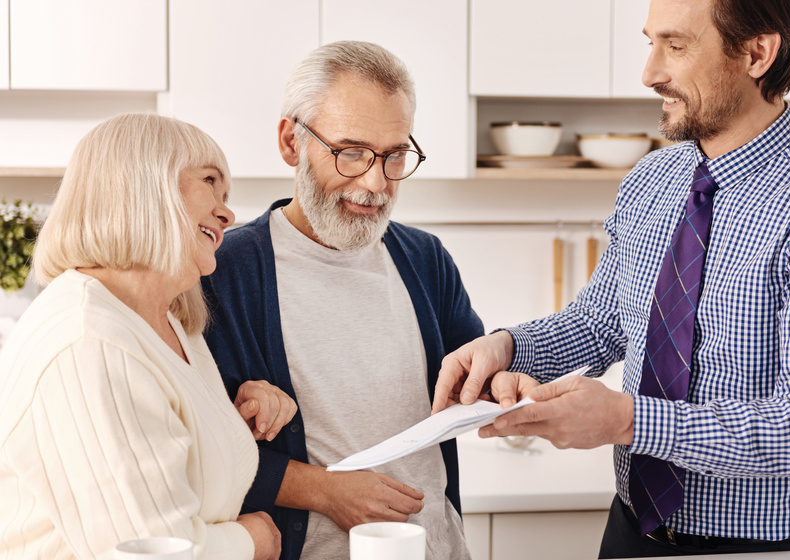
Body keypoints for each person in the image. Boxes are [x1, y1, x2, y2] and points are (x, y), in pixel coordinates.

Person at [433, 0, 790, 557]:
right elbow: (599, 323)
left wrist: (628, 421)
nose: (649, 73)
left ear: (757, 54)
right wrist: (507, 347)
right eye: (651, 43)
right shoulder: (651, 178)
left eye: (676, 46)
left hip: (755, 548)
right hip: (629, 530)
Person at [201, 40, 484, 560]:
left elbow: (476, 385)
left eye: (394, 155)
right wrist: (324, 491)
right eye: (351, 153)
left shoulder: (426, 259)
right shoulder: (222, 272)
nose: (375, 183)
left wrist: (507, 386)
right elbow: (197, 448)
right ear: (291, 141)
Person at [0, 112, 298, 560]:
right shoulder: (89, 342)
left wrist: (235, 418)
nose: (227, 213)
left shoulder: (168, 322)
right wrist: (252, 540)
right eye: (209, 181)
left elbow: (164, 462)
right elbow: (151, 551)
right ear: (143, 183)